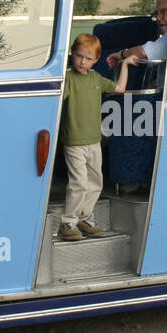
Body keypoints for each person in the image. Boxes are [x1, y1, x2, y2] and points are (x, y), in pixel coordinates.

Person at [60, 33, 136, 241]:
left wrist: (125, 65)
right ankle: (68, 222)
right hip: (74, 142)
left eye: (88, 58)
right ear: (72, 55)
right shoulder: (67, 79)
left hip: (94, 141)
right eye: (78, 56)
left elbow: (120, 89)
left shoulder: (95, 78)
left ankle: (85, 217)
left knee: (96, 182)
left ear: (96, 60)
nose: (82, 62)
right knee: (78, 183)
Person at [106, 0, 167, 69]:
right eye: (156, 13)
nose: (158, 17)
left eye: (164, 12)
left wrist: (120, 55)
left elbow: (142, 53)